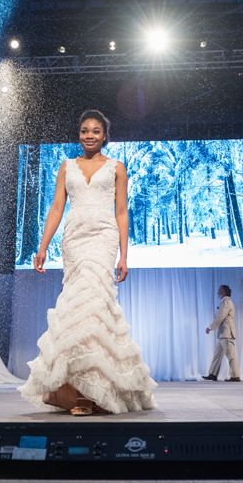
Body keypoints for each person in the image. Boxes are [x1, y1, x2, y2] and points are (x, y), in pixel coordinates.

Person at [18, 109, 156, 415]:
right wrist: (41, 248)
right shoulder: (67, 167)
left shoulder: (117, 167)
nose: (89, 135)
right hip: (75, 240)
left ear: (105, 135)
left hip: (104, 238)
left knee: (95, 305)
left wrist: (124, 254)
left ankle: (90, 393)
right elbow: (56, 207)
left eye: (95, 131)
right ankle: (76, 389)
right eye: (84, 130)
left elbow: (122, 212)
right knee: (76, 309)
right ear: (79, 134)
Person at [202, 284, 241, 382]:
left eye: (219, 290)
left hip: (227, 334)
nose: (217, 292)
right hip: (222, 334)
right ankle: (212, 374)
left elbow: (220, 317)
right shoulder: (224, 302)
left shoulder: (226, 302)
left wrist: (210, 328)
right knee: (217, 355)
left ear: (223, 291)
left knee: (231, 355)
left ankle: (235, 376)